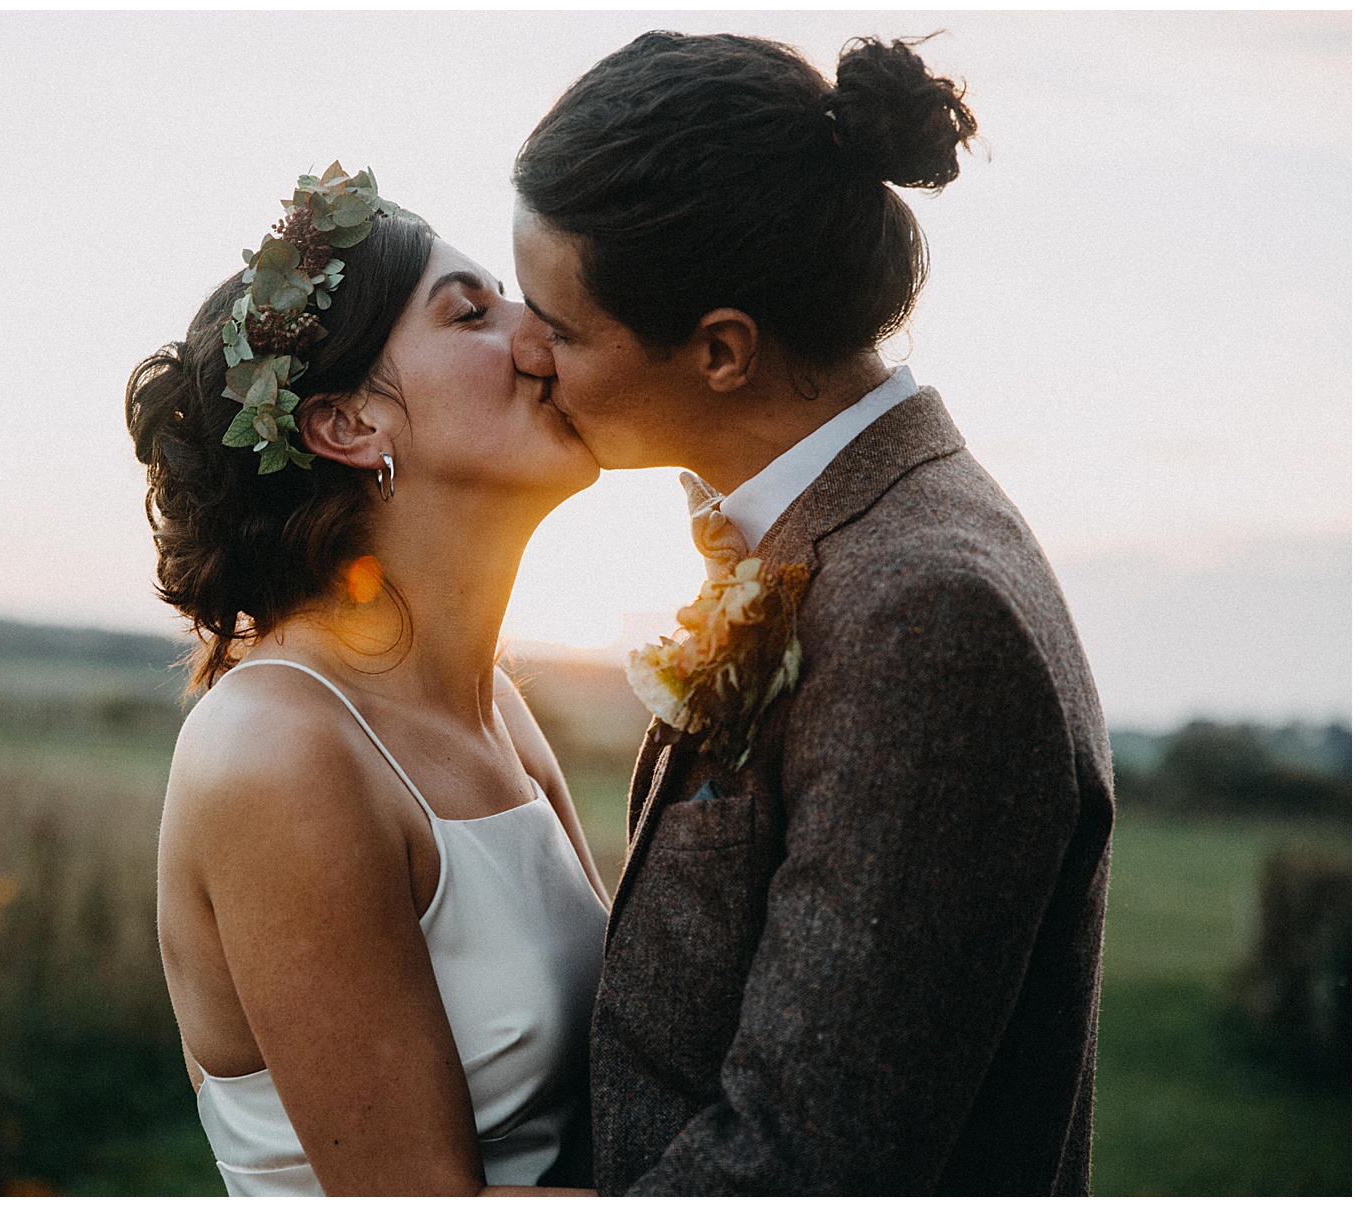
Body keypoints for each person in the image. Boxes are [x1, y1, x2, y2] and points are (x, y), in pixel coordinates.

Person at [509, 33, 1114, 1194]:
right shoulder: (834, 535)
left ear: (722, 350)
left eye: (562, 325)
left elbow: (799, 1162)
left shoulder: (929, 613)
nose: (525, 353)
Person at [128, 165, 607, 1196]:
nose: (543, 331)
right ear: (347, 426)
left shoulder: (497, 710)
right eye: (473, 312)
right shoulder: (277, 752)